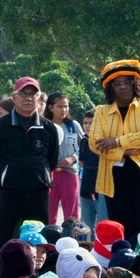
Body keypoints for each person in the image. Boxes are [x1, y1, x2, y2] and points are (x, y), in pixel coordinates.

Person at [90, 62, 140, 243]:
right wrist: (124, 151)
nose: (123, 87)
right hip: (114, 179)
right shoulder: (101, 111)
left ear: (135, 84)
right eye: (117, 83)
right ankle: (124, 268)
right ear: (110, 88)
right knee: (120, 230)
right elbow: (94, 143)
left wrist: (116, 142)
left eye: (127, 82)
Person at [0, 77, 64, 240]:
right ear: (14, 97)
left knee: (38, 239)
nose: (28, 98)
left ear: (39, 98)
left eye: (33, 94)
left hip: (38, 193)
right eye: (23, 94)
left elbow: (51, 160)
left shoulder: (49, 128)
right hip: (9, 192)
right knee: (2, 238)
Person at [48, 92, 85, 225]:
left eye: (66, 106)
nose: (64, 110)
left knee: (72, 215)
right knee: (49, 213)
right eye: (59, 106)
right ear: (50, 108)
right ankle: (49, 244)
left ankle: (72, 241)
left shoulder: (73, 125)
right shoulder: (45, 125)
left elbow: (84, 146)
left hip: (70, 173)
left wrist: (72, 158)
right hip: (50, 174)